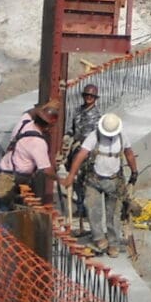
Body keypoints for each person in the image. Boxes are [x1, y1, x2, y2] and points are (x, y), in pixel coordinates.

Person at [63, 110, 137, 256]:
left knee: (113, 214)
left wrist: (134, 172)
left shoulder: (121, 137)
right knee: (93, 210)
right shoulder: (94, 136)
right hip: (94, 180)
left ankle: (113, 243)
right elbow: (81, 154)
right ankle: (99, 238)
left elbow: (129, 153)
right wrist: (71, 175)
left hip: (114, 181)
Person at [0, 101, 59, 211]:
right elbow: (46, 170)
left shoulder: (24, 123)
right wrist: (61, 180)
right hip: (16, 177)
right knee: (8, 213)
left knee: (4, 209)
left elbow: (29, 112)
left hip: (3, 171)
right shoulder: (38, 143)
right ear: (48, 126)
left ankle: (3, 224)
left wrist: (45, 106)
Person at [61, 82, 104, 232]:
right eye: (86, 95)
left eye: (91, 96)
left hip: (89, 153)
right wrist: (67, 137)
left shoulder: (98, 117)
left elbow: (99, 137)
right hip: (76, 150)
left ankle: (87, 209)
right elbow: (72, 128)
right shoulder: (78, 111)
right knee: (77, 181)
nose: (88, 98)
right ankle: (80, 208)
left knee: (87, 181)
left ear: (95, 98)